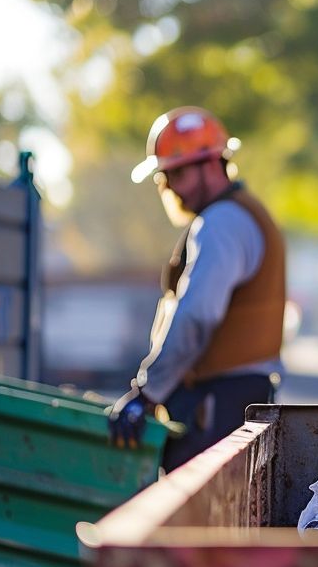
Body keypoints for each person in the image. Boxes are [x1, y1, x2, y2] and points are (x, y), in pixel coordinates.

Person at [108, 107, 286, 470]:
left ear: (211, 164)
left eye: (178, 172)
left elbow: (197, 314)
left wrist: (148, 392)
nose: (170, 186)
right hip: (233, 399)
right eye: (165, 176)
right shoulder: (239, 215)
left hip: (220, 404)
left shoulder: (222, 222)